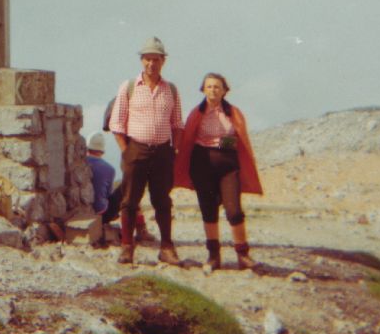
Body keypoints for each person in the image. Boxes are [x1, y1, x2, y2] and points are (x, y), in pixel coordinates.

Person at [174, 72, 263, 271]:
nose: (213, 90)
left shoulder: (234, 113)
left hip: (228, 166)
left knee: (234, 211)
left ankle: (243, 254)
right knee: (208, 209)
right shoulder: (196, 113)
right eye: (209, 86)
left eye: (217, 87)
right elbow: (188, 140)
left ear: (224, 91)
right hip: (202, 165)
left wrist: (217, 142)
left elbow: (239, 141)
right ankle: (213, 255)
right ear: (203, 90)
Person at [108, 36, 183, 265]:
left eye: (156, 59)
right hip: (136, 150)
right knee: (129, 200)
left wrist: (174, 150)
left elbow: (177, 124)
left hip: (162, 153)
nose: (151, 64)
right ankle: (127, 247)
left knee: (163, 200)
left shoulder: (171, 89)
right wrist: (126, 151)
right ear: (142, 61)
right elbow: (117, 123)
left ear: (163, 61)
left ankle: (167, 248)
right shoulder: (129, 87)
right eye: (147, 59)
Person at [86, 132, 152, 242]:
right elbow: (106, 195)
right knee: (128, 187)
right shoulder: (109, 169)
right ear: (102, 150)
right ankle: (141, 228)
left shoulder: (80, 164)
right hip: (102, 214)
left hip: (83, 212)